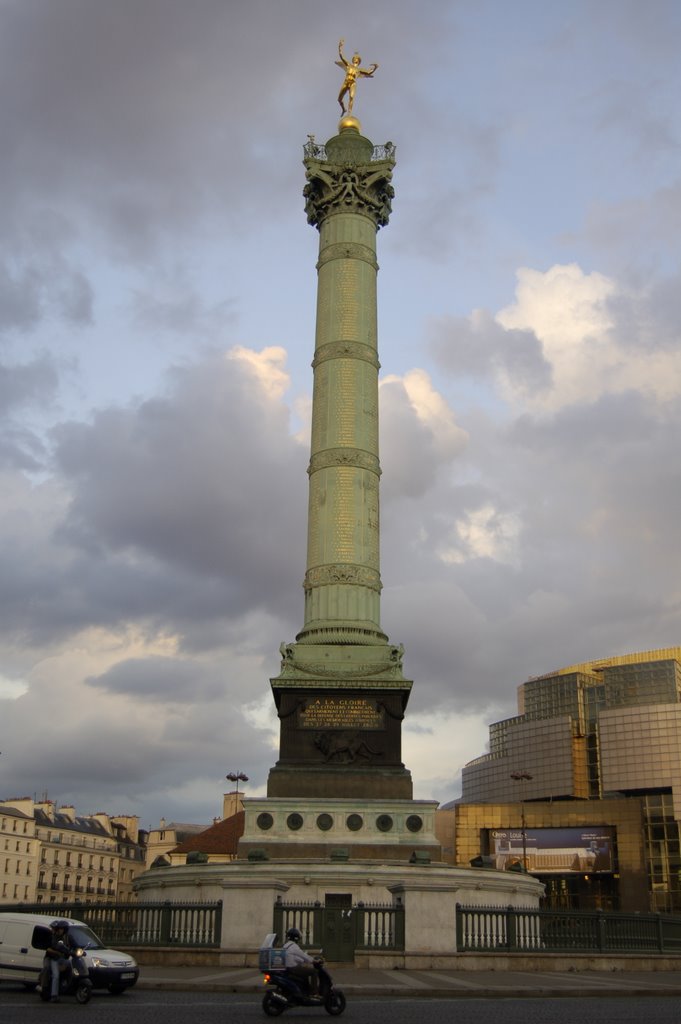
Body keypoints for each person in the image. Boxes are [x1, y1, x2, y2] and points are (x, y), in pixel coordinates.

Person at [335, 38, 378, 114]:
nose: (356, 59)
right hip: (346, 81)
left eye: (357, 59)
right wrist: (340, 47)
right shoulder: (348, 65)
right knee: (339, 99)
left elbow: (369, 72)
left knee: (351, 97)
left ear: (358, 61)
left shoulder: (359, 70)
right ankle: (344, 109)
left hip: (352, 83)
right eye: (355, 58)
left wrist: (375, 68)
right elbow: (342, 57)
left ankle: (349, 113)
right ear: (353, 60)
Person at [282, 926, 318, 995]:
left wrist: (302, 961)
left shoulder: (285, 945)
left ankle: (306, 990)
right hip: (293, 968)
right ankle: (314, 992)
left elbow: (294, 957)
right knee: (314, 971)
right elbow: (304, 956)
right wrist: (313, 960)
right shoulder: (294, 946)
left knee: (305, 973)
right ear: (296, 938)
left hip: (287, 968)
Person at [44, 920, 71, 1003]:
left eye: (62, 929)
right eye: (59, 928)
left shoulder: (67, 937)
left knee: (70, 965)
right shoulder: (54, 937)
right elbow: (50, 947)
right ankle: (54, 995)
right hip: (54, 959)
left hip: (62, 959)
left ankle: (68, 983)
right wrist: (57, 952)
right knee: (56, 975)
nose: (60, 930)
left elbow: (71, 946)